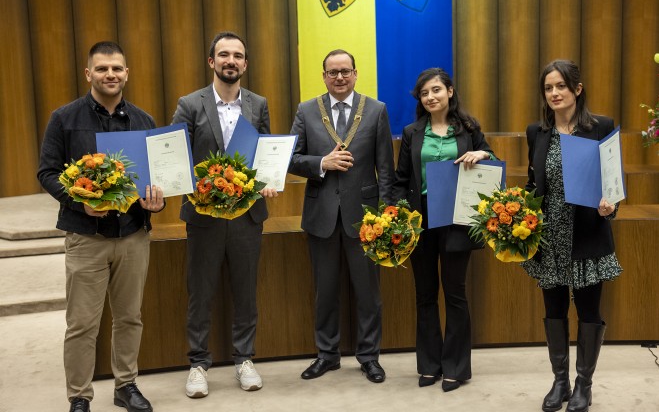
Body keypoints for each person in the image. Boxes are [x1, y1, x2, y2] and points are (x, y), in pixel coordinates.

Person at [37, 41, 164, 412]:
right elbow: (46, 171)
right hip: (85, 237)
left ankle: (126, 385)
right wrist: (81, 200)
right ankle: (79, 396)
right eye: (103, 68)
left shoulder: (144, 121)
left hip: (133, 235)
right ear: (89, 73)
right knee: (82, 324)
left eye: (117, 69)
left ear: (127, 73)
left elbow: (157, 178)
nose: (111, 74)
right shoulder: (64, 118)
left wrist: (158, 200)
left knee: (129, 317)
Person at [172, 31, 278, 398]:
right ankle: (198, 364)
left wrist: (269, 179)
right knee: (200, 292)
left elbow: (265, 153)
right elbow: (178, 159)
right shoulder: (189, 104)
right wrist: (202, 186)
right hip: (203, 216)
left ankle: (244, 359)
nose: (230, 61)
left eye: (237, 55)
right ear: (211, 61)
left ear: (245, 64)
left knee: (245, 291)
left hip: (248, 215)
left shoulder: (258, 103)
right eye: (224, 55)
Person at [289, 49, 395, 383]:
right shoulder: (306, 110)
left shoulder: (376, 110)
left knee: (368, 292)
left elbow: (385, 169)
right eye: (333, 72)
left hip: (364, 217)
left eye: (345, 71)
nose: (339, 77)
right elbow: (291, 158)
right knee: (326, 290)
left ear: (355, 73)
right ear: (323, 76)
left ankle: (369, 357)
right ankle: (327, 355)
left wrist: (387, 216)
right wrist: (322, 163)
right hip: (320, 215)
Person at [522, 59, 622, 412]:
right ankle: (560, 381)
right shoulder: (537, 132)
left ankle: (584, 384)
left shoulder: (601, 127)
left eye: (560, 86)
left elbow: (613, 184)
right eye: (548, 88)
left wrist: (612, 205)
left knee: (590, 311)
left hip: (588, 236)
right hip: (549, 239)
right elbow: (533, 185)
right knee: (554, 310)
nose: (554, 93)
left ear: (577, 89)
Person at [392, 68, 495, 392]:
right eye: (424, 93)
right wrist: (400, 216)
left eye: (436, 90)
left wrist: (483, 153)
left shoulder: (469, 128)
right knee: (424, 296)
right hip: (420, 223)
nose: (431, 96)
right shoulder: (412, 132)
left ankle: (456, 367)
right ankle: (429, 365)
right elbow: (399, 180)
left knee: (455, 294)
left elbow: (493, 162)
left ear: (450, 91)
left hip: (457, 221)